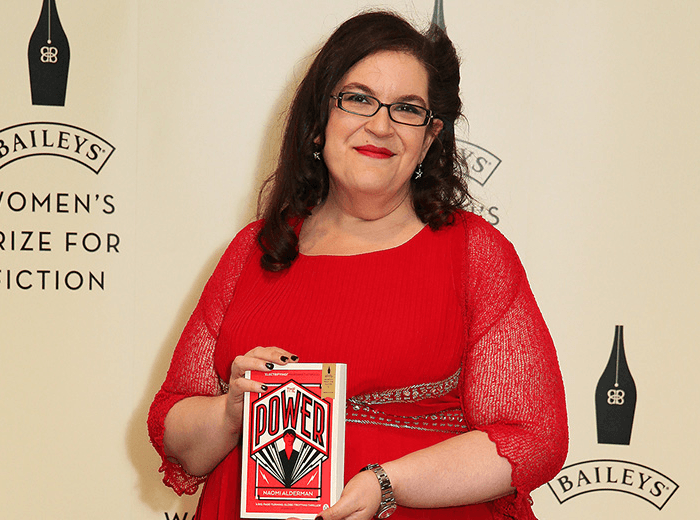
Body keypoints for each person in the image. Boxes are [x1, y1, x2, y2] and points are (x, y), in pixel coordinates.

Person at [148, 10, 567, 520]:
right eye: (358, 98)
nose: (381, 125)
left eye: (407, 109)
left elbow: (532, 437)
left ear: (430, 137)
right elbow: (179, 436)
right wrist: (232, 411)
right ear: (319, 119)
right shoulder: (254, 249)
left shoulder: (473, 254)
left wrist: (388, 483)